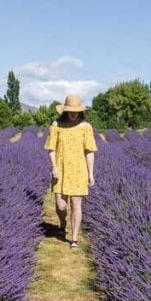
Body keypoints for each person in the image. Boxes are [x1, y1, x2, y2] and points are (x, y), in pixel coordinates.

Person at [44, 93, 97, 250]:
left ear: (80, 111)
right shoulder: (56, 125)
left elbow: (90, 151)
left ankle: (73, 239)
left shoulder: (86, 127)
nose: (73, 114)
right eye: (71, 111)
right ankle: (63, 223)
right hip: (60, 170)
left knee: (76, 204)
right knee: (61, 205)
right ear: (65, 110)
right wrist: (54, 166)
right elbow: (51, 148)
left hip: (79, 170)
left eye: (76, 111)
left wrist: (90, 173)